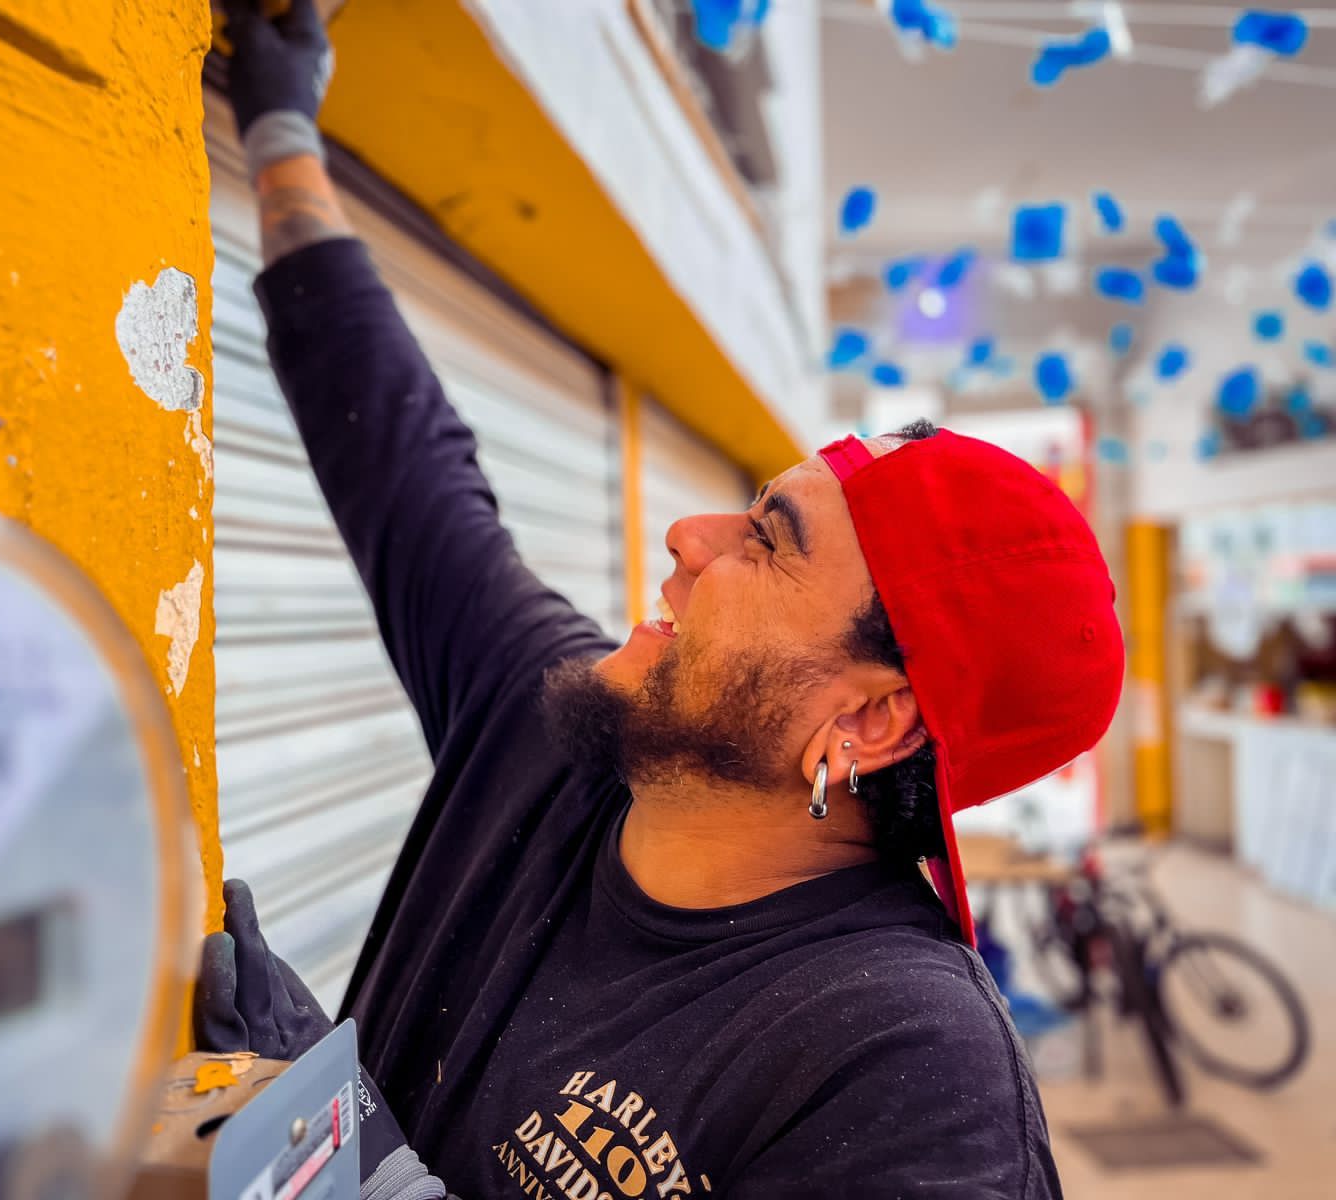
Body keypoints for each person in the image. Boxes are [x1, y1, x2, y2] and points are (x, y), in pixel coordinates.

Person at [199, 2, 1124, 1195]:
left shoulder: (908, 1081)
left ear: (872, 721)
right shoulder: (559, 740)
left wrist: (323, 1147)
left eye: (768, 541)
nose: (688, 538)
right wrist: (279, 129)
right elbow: (407, 468)